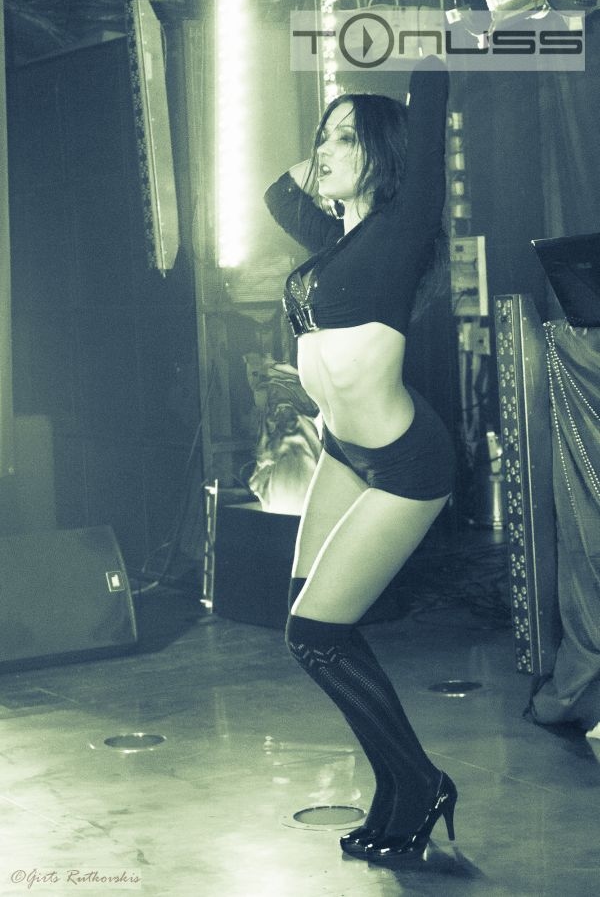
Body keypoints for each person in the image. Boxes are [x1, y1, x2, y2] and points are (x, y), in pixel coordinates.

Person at [263, 55, 456, 861]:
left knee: (316, 632)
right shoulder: (337, 239)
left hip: (406, 464)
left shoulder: (404, 226)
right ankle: (400, 783)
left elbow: (432, 90)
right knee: (309, 623)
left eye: (347, 139)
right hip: (344, 452)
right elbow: (280, 194)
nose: (326, 152)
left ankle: (420, 783)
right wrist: (334, 150)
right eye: (325, 138)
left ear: (385, 152)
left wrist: (449, 24)